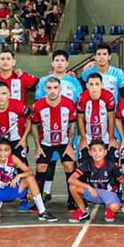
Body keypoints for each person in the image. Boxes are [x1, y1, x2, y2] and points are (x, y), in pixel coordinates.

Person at [0, 139, 57, 223]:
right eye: (0, 150)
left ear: (10, 151)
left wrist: (19, 176)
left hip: (13, 188)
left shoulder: (13, 158)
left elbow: (29, 172)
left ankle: (42, 212)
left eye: (6, 150)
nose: (3, 153)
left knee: (30, 178)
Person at [31, 77, 77, 212]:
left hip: (64, 143)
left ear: (60, 89)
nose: (52, 91)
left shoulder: (68, 104)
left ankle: (72, 200)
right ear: (45, 89)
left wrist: (69, 144)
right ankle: (38, 202)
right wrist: (38, 147)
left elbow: (72, 124)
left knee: (69, 166)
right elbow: (34, 126)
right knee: (41, 166)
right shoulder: (38, 105)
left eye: (55, 88)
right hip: (46, 143)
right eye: (49, 88)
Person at [68, 139, 124, 223]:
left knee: (115, 208)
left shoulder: (111, 166)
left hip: (108, 193)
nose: (97, 153)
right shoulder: (87, 163)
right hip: (93, 192)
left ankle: (108, 208)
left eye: (100, 150)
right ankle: (83, 211)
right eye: (94, 151)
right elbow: (71, 179)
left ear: (105, 152)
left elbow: (122, 181)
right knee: (73, 187)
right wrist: (88, 187)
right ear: (90, 153)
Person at [77, 73, 118, 163]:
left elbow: (111, 117)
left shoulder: (108, 96)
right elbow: (80, 118)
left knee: (114, 163)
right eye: (91, 84)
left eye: (97, 84)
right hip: (88, 136)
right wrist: (83, 138)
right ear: (87, 85)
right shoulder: (82, 97)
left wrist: (111, 138)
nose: (94, 87)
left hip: (105, 136)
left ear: (102, 85)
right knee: (82, 163)